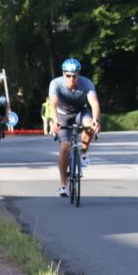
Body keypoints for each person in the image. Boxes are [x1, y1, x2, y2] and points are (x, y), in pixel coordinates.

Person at [48, 58, 101, 198]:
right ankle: (63, 184)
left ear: (79, 74)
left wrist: (95, 120)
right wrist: (54, 122)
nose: (71, 79)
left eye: (75, 76)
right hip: (62, 115)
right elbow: (52, 104)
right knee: (64, 147)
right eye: (68, 76)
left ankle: (83, 152)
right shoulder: (56, 84)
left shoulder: (86, 83)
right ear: (63, 74)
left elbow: (94, 103)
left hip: (80, 113)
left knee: (89, 125)